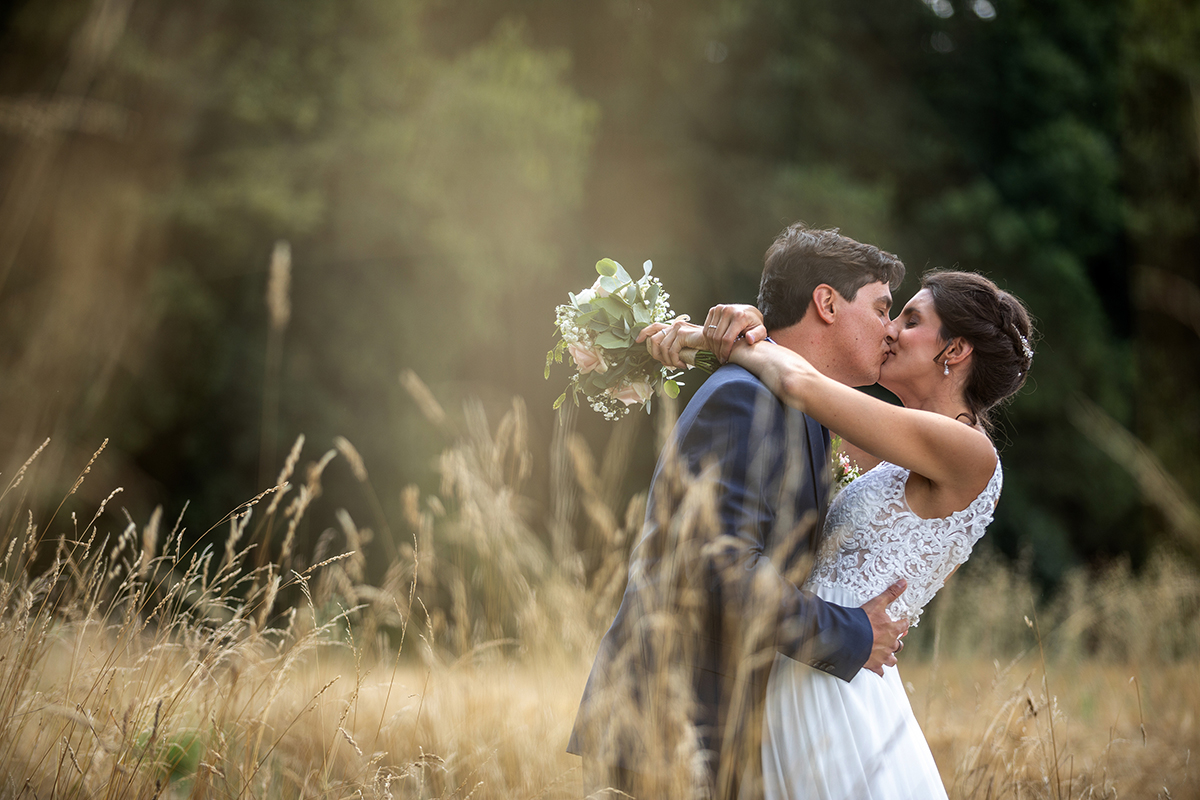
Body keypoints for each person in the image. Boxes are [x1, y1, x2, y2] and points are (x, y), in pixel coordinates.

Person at [644, 268, 1035, 799]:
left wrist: (708, 337)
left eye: (912, 319)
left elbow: (801, 383)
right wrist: (748, 328)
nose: (891, 330)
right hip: (802, 651)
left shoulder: (969, 452)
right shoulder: (889, 445)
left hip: (833, 683)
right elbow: (797, 415)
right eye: (892, 314)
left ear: (957, 349)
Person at [567, 224, 911, 800]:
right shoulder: (744, 398)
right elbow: (722, 567)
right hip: (668, 726)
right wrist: (853, 633)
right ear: (826, 302)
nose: (891, 329)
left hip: (713, 728)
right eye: (881, 309)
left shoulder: (795, 406)